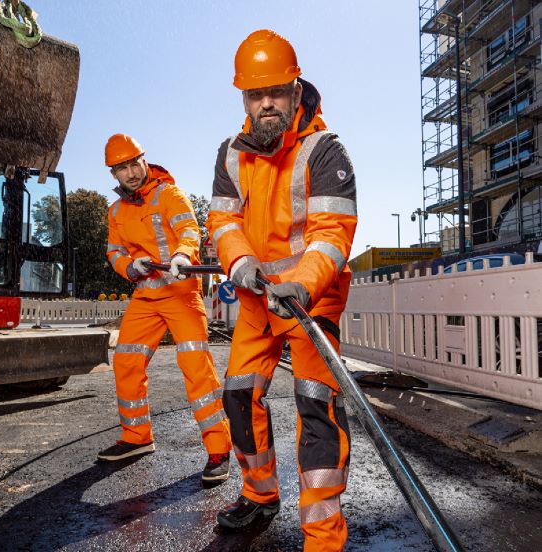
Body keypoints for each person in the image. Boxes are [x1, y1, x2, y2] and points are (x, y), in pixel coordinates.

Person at [206, 30, 358, 550]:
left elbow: (332, 234)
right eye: (254, 93)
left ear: (296, 91)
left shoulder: (324, 150)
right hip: (255, 300)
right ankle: (259, 494)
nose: (265, 102)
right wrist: (241, 262)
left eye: (275, 90)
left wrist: (301, 283)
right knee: (238, 397)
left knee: (316, 406)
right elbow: (223, 223)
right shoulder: (230, 155)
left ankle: (322, 536)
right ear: (244, 99)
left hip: (311, 300)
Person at [101, 133, 232, 484]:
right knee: (126, 360)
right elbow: (114, 251)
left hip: (180, 292)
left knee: (195, 366)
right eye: (121, 169)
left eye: (133, 164)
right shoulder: (115, 211)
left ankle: (219, 449)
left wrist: (180, 255)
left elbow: (188, 229)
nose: (129, 173)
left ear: (144, 161)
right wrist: (131, 266)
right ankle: (136, 438)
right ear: (113, 174)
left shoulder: (169, 194)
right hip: (146, 295)